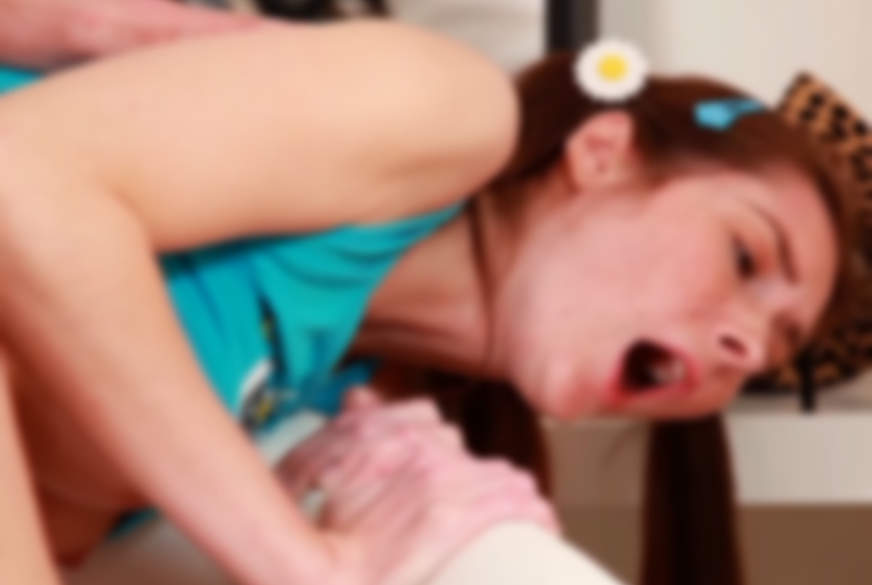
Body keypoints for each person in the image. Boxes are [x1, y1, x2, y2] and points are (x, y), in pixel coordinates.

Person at [0, 18, 861, 585]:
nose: (747, 349)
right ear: (602, 153)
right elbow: (19, 173)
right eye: (745, 255)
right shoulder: (450, 107)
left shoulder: (341, 390)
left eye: (772, 351)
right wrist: (295, 559)